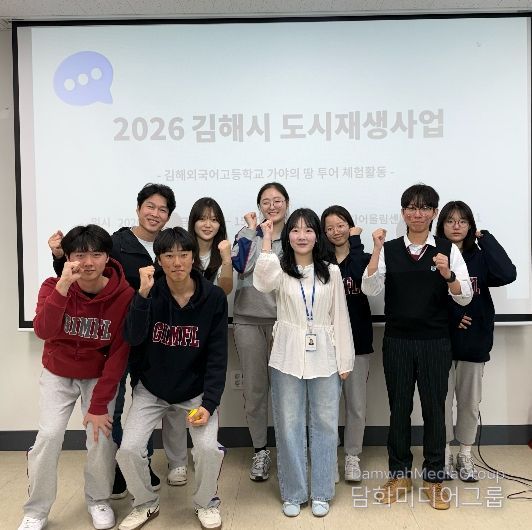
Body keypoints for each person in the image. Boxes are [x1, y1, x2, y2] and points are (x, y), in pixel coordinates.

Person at [47, 183, 188, 492]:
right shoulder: (117, 243)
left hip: (158, 340)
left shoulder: (169, 245)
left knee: (145, 405)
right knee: (117, 404)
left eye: (162, 209)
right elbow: (84, 273)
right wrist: (58, 257)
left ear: (168, 216)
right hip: (121, 336)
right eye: (150, 206)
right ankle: (119, 466)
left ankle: (141, 463)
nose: (155, 213)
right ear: (138, 208)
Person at [361, 184, 472, 510]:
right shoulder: (390, 249)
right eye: (411, 207)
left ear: (434, 212)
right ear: (403, 212)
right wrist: (376, 250)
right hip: (397, 341)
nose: (417, 213)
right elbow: (370, 288)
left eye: (424, 208)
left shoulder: (447, 250)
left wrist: (448, 274)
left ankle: (434, 478)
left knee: (435, 410)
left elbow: (464, 296)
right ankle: (399, 475)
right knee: (399, 409)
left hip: (435, 342)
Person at [19, 225, 134, 530]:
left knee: (100, 437)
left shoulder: (124, 295)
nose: (88, 262)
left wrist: (98, 405)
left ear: (107, 257)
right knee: (49, 436)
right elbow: (43, 330)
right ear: (68, 257)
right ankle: (36, 510)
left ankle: (98, 500)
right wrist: (62, 288)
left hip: (97, 375)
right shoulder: (51, 286)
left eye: (96, 254)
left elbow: (119, 355)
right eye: (80, 255)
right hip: (57, 373)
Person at [117, 227, 228, 530]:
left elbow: (217, 356)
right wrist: (141, 296)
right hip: (152, 390)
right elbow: (133, 337)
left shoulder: (213, 298)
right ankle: (145, 503)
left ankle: (206, 502)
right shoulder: (148, 293)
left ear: (194, 258)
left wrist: (209, 403)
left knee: (207, 449)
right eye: (168, 255)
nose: (177, 262)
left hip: (194, 394)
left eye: (183, 254)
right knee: (128, 449)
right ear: (159, 260)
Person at [254, 208, 355, 518]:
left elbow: (340, 316)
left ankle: (322, 491)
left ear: (317, 236)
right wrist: (267, 241)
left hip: (325, 355)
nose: (301, 236)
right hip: (287, 355)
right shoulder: (280, 269)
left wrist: (345, 359)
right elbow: (262, 282)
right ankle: (294, 492)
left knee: (325, 424)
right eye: (295, 230)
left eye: (308, 230)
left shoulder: (331, 271)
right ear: (288, 236)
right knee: (289, 425)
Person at [436, 201, 516, 482]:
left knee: (469, 403)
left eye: (462, 221)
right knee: (441, 403)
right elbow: (426, 298)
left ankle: (465, 454)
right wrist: (454, 316)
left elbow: (507, 274)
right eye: (450, 221)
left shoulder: (480, 256)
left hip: (475, 340)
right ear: (441, 225)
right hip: (441, 340)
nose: (456, 226)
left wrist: (486, 238)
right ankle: (444, 454)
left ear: (470, 225)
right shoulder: (435, 256)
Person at [231, 182, 289, 481]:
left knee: (286, 391)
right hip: (247, 320)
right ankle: (260, 451)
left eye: (277, 200)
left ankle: (289, 452)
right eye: (266, 201)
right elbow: (243, 268)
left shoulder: (295, 236)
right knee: (255, 391)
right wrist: (255, 233)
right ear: (259, 206)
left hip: (284, 322)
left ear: (287, 204)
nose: (272, 206)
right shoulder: (245, 234)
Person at [322, 205, 373, 482]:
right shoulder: (321, 262)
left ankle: (352, 456)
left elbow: (361, 278)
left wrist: (356, 242)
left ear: (350, 227)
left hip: (359, 340)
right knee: (326, 406)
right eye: (329, 228)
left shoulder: (362, 258)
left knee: (356, 405)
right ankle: (329, 456)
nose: (336, 231)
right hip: (327, 343)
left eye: (341, 225)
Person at [188, 197, 233, 295]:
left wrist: (226, 260)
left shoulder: (224, 251)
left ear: (220, 224)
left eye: (214, 220)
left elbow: (225, 290)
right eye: (202, 219)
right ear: (193, 222)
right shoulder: (184, 251)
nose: (208, 225)